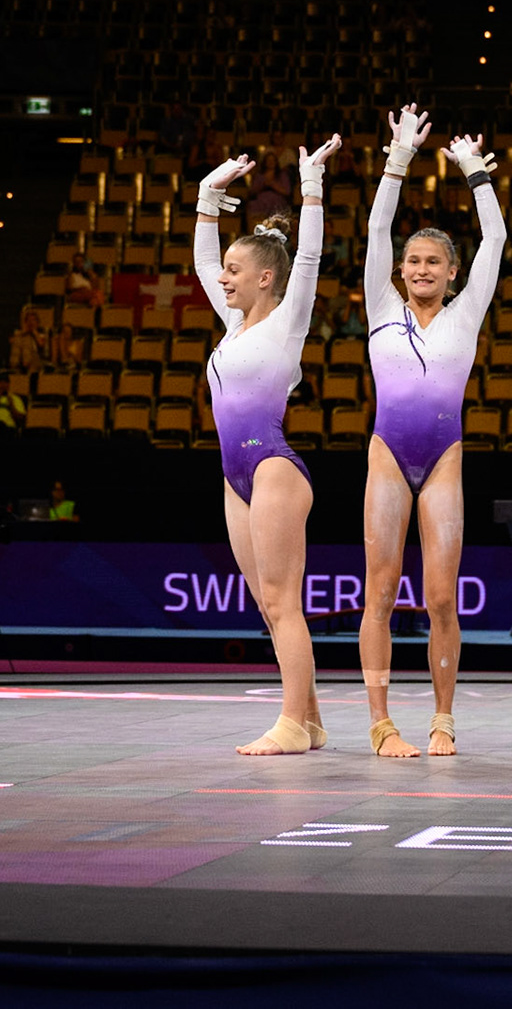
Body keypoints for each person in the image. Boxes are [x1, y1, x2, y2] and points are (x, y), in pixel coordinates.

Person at [360, 106, 506, 759]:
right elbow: (375, 229)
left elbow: (495, 239)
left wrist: (475, 174)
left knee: (442, 597)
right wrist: (397, 160)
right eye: (413, 260)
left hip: (443, 457)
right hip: (388, 456)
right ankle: (381, 724)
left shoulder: (466, 313)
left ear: (452, 272)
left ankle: (443, 719)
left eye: (434, 262)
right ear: (400, 270)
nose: (421, 268)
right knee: (381, 591)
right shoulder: (381, 307)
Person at [193, 136, 336, 755]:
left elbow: (311, 257)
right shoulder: (233, 325)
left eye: (234, 270)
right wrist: (208, 195)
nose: (222, 277)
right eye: (224, 269)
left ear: (266, 278)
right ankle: (311, 719)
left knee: (282, 601)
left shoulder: (286, 322)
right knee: (266, 603)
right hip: (236, 474)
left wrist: (312, 187)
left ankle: (290, 727)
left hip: (273, 467)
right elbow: (203, 260)